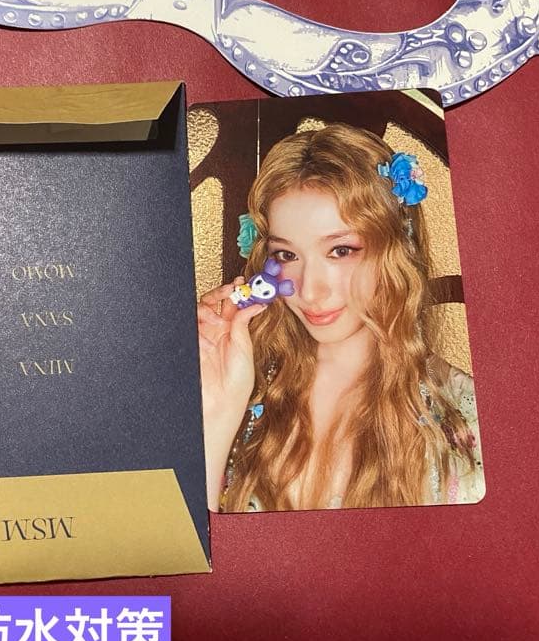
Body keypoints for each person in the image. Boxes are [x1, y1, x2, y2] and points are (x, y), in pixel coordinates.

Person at [197, 123, 484, 513]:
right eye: (287, 255)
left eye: (341, 250)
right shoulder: (246, 391)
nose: (310, 291)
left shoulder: (468, 420)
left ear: (396, 250)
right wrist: (217, 412)